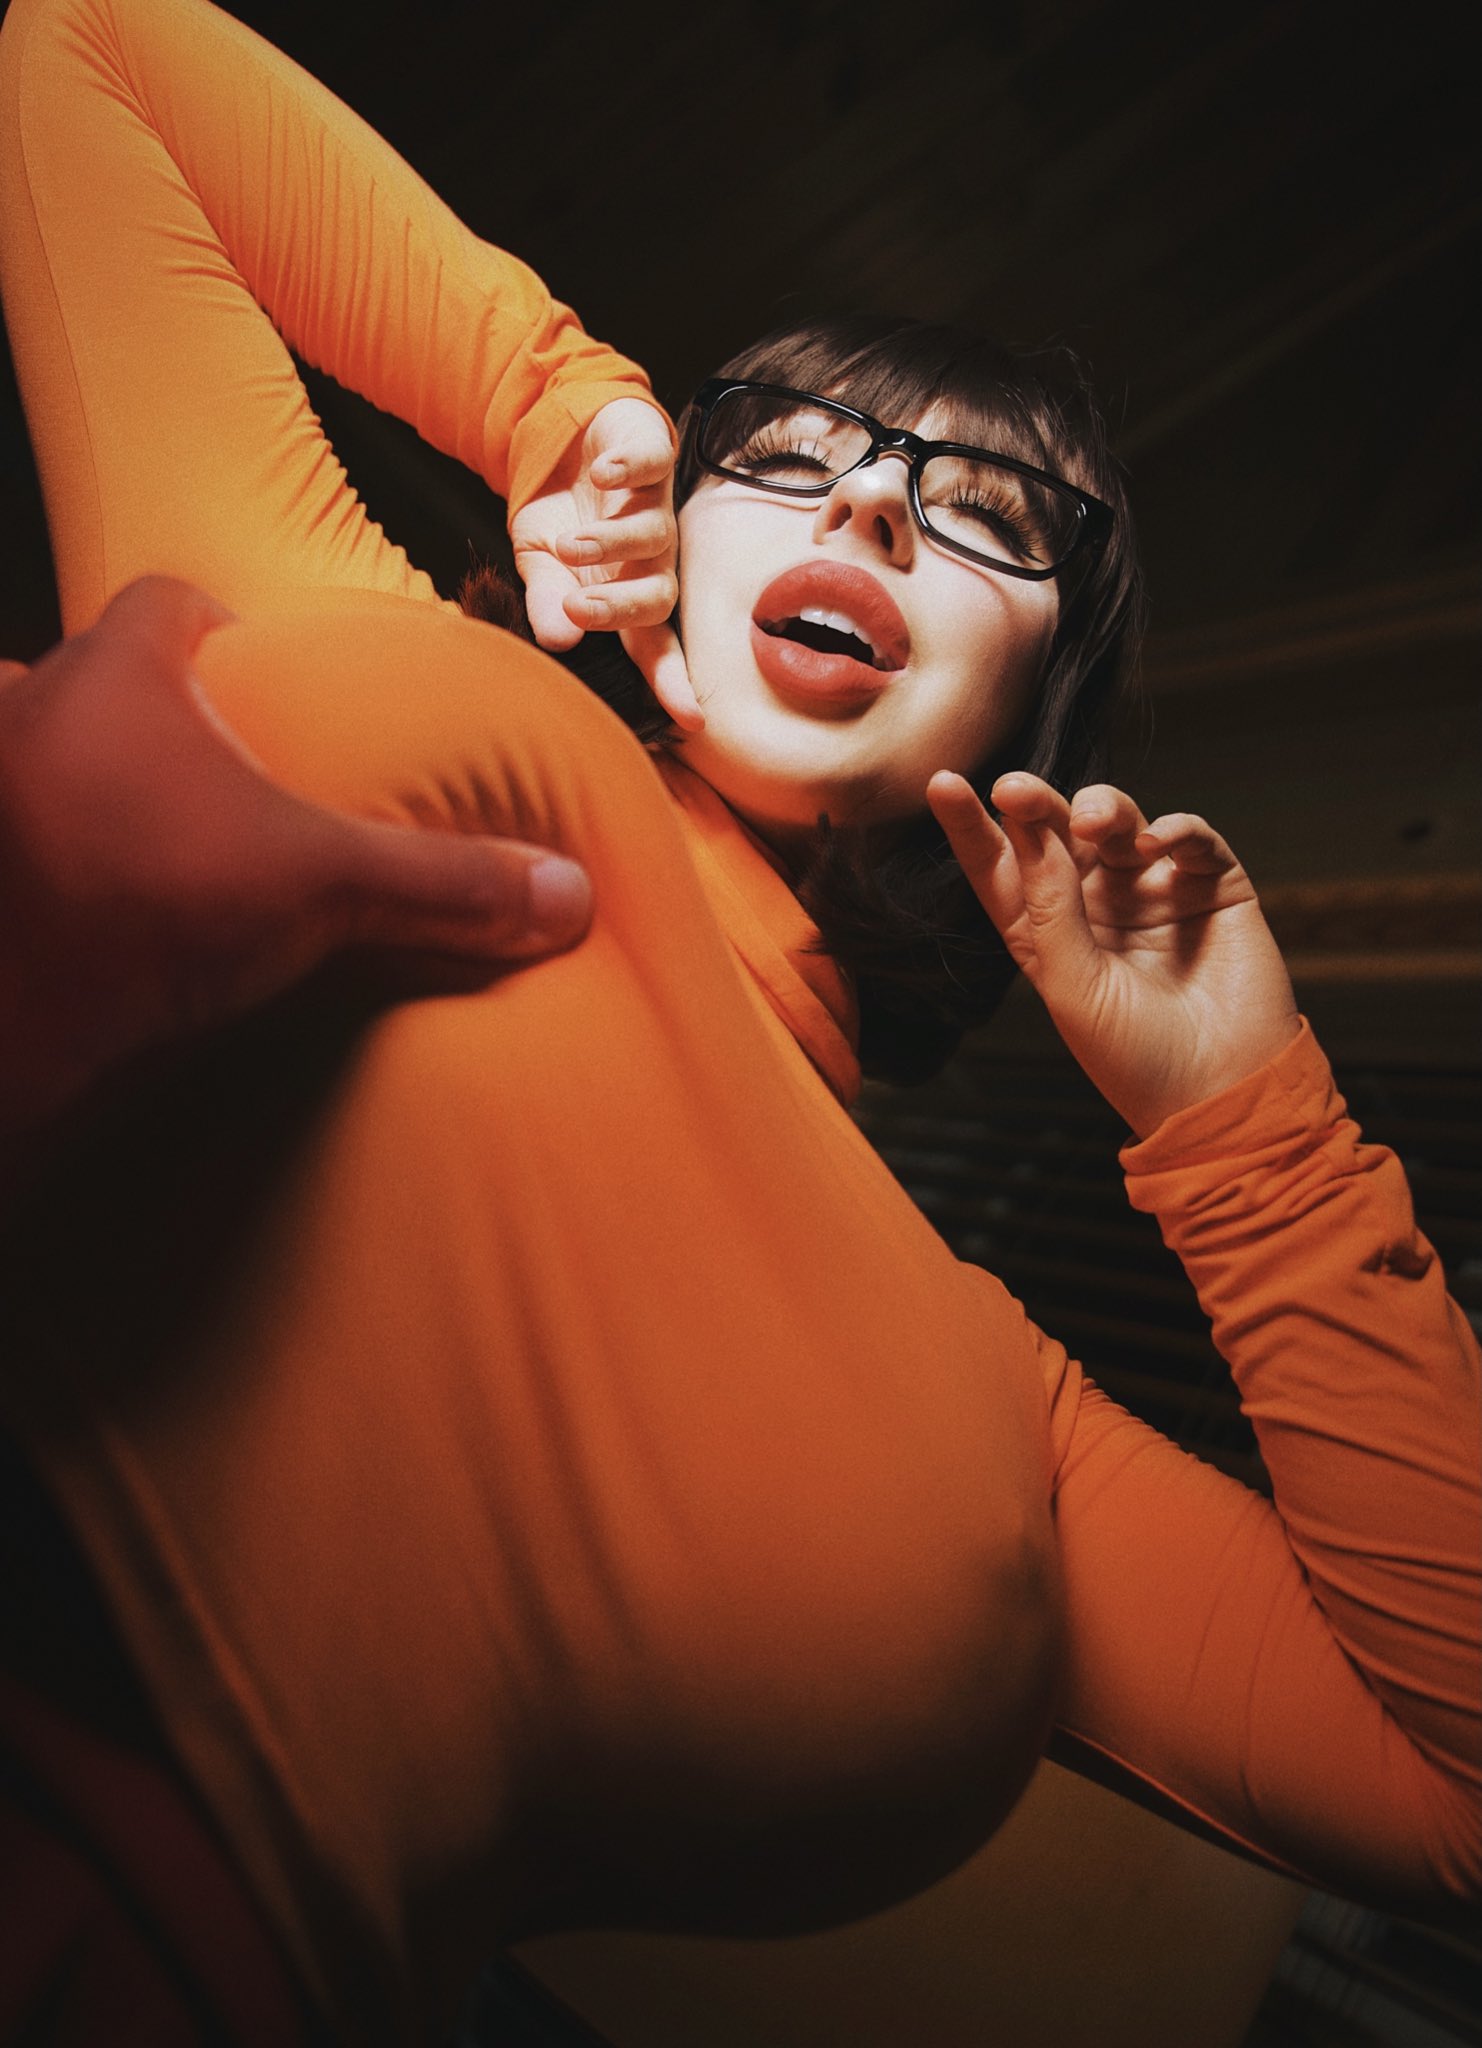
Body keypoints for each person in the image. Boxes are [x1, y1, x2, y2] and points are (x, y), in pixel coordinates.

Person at [0, 0, 1476, 2043]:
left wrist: (1247, 1123)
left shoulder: (1004, 1410)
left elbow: (1454, 1783)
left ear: (1022, 725)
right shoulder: (323, 608)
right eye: (785, 456)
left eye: (990, 514)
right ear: (670, 592)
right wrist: (543, 401)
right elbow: (80, 45)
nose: (869, 511)